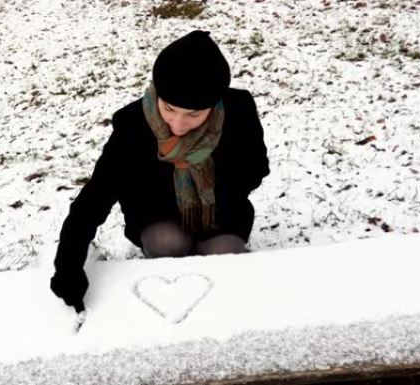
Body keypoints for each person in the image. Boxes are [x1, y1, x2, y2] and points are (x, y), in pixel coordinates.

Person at [50, 30, 270, 312]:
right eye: (169, 109)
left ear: (214, 105)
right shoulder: (132, 125)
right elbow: (95, 198)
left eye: (194, 115)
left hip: (221, 210)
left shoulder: (237, 111)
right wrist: (68, 267)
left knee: (224, 253)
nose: (178, 125)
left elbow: (255, 168)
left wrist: (210, 189)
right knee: (168, 243)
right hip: (156, 212)